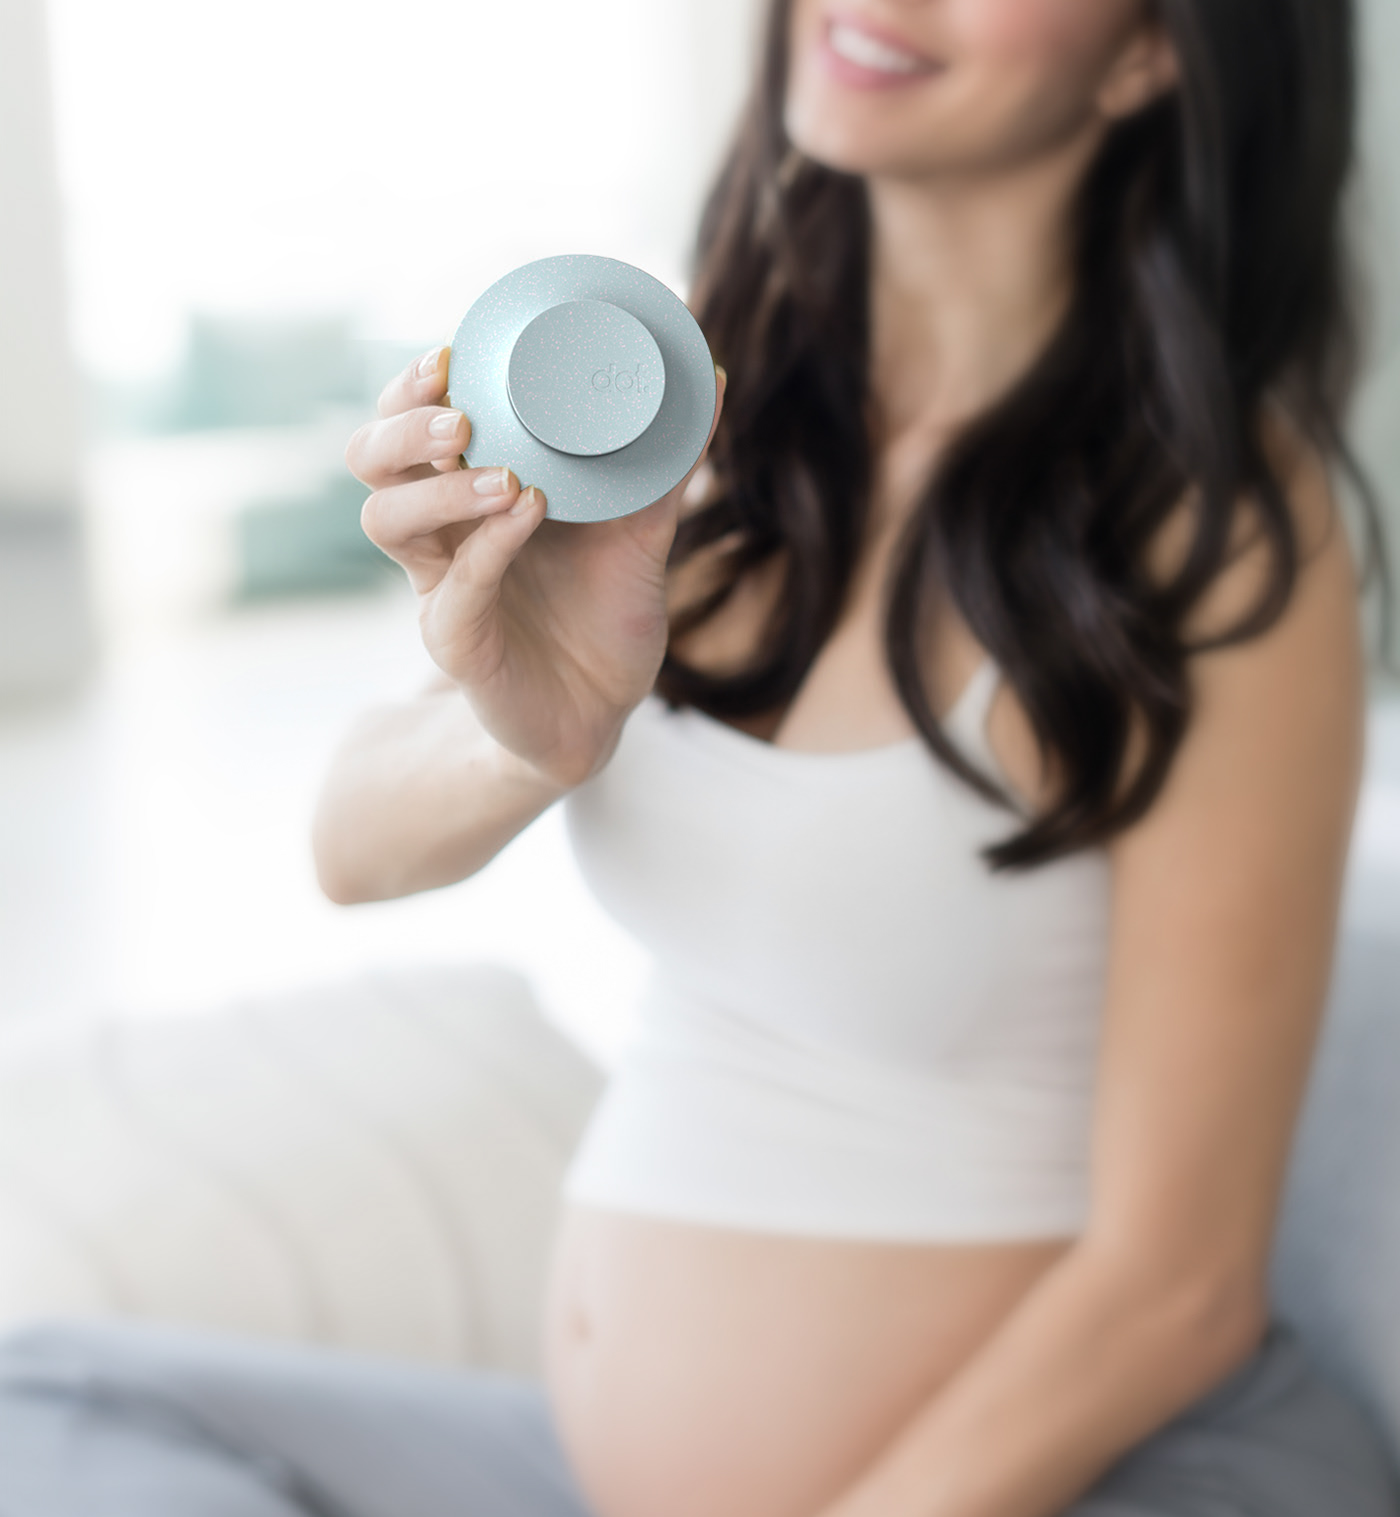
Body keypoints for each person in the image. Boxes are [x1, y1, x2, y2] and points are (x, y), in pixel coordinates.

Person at [1, 0, 1397, 1514]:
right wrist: (537, 738)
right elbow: (350, 849)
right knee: (43, 1403)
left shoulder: (1218, 532)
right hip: (608, 1475)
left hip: (1084, 1482)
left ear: (1154, 51)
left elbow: (1174, 1288)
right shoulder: (680, 406)